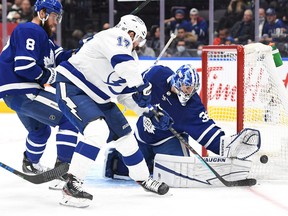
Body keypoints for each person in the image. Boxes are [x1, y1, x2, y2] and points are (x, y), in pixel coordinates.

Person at [54, 14, 173, 208]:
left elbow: (124, 95)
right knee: (97, 131)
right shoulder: (116, 35)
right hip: (74, 87)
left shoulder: (129, 58)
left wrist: (148, 111)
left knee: (126, 137)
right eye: (140, 39)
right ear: (132, 32)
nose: (140, 44)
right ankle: (71, 184)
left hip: (99, 98)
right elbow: (122, 63)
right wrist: (141, 85)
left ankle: (143, 178)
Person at [103, 64, 261, 184]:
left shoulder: (192, 106)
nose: (189, 92)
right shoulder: (156, 74)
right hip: (143, 135)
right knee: (122, 172)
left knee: (176, 176)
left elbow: (207, 131)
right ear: (177, 81)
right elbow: (132, 89)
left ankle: (154, 163)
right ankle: (124, 159)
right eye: (186, 87)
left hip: (169, 140)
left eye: (192, 89)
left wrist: (227, 145)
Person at [0, 0, 79, 185]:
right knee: (70, 117)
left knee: (40, 132)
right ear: (42, 13)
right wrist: (50, 76)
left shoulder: (44, 38)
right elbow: (25, 66)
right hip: (23, 90)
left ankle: (31, 163)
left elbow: (61, 57)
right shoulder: (31, 30)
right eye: (54, 17)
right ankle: (63, 170)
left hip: (17, 94)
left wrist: (85, 49)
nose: (56, 22)